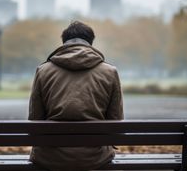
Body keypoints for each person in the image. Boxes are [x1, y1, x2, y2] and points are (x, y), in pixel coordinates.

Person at [28, 21, 124, 171]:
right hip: (96, 157)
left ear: (64, 43)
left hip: (50, 157)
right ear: (91, 43)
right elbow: (116, 122)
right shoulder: (110, 72)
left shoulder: (43, 71)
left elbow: (35, 121)